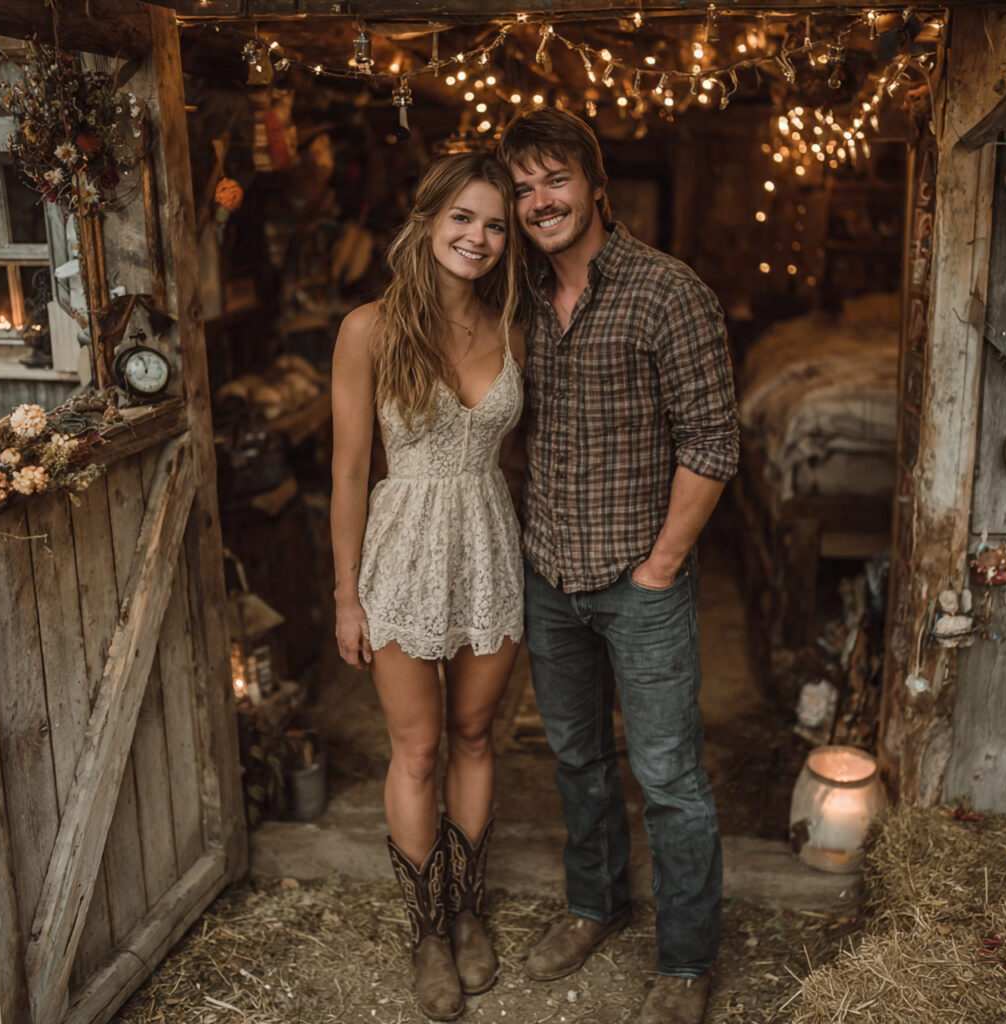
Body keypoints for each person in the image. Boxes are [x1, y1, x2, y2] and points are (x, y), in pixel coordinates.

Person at [497, 108, 739, 1024]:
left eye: (552, 180)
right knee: (576, 759)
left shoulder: (667, 291)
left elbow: (715, 441)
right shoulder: (518, 294)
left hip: (643, 583)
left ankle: (685, 962)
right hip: (549, 572)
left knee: (671, 778)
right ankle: (594, 905)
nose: (536, 202)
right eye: (522, 189)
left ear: (596, 187)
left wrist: (662, 565)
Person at [330, 152, 526, 1021]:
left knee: (477, 734)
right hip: (402, 551)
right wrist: (346, 595)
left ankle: (469, 906)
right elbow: (345, 473)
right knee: (417, 748)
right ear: (428, 219)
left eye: (494, 224)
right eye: (463, 219)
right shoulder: (368, 328)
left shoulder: (511, 322)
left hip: (488, 544)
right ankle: (426, 931)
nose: (478, 238)